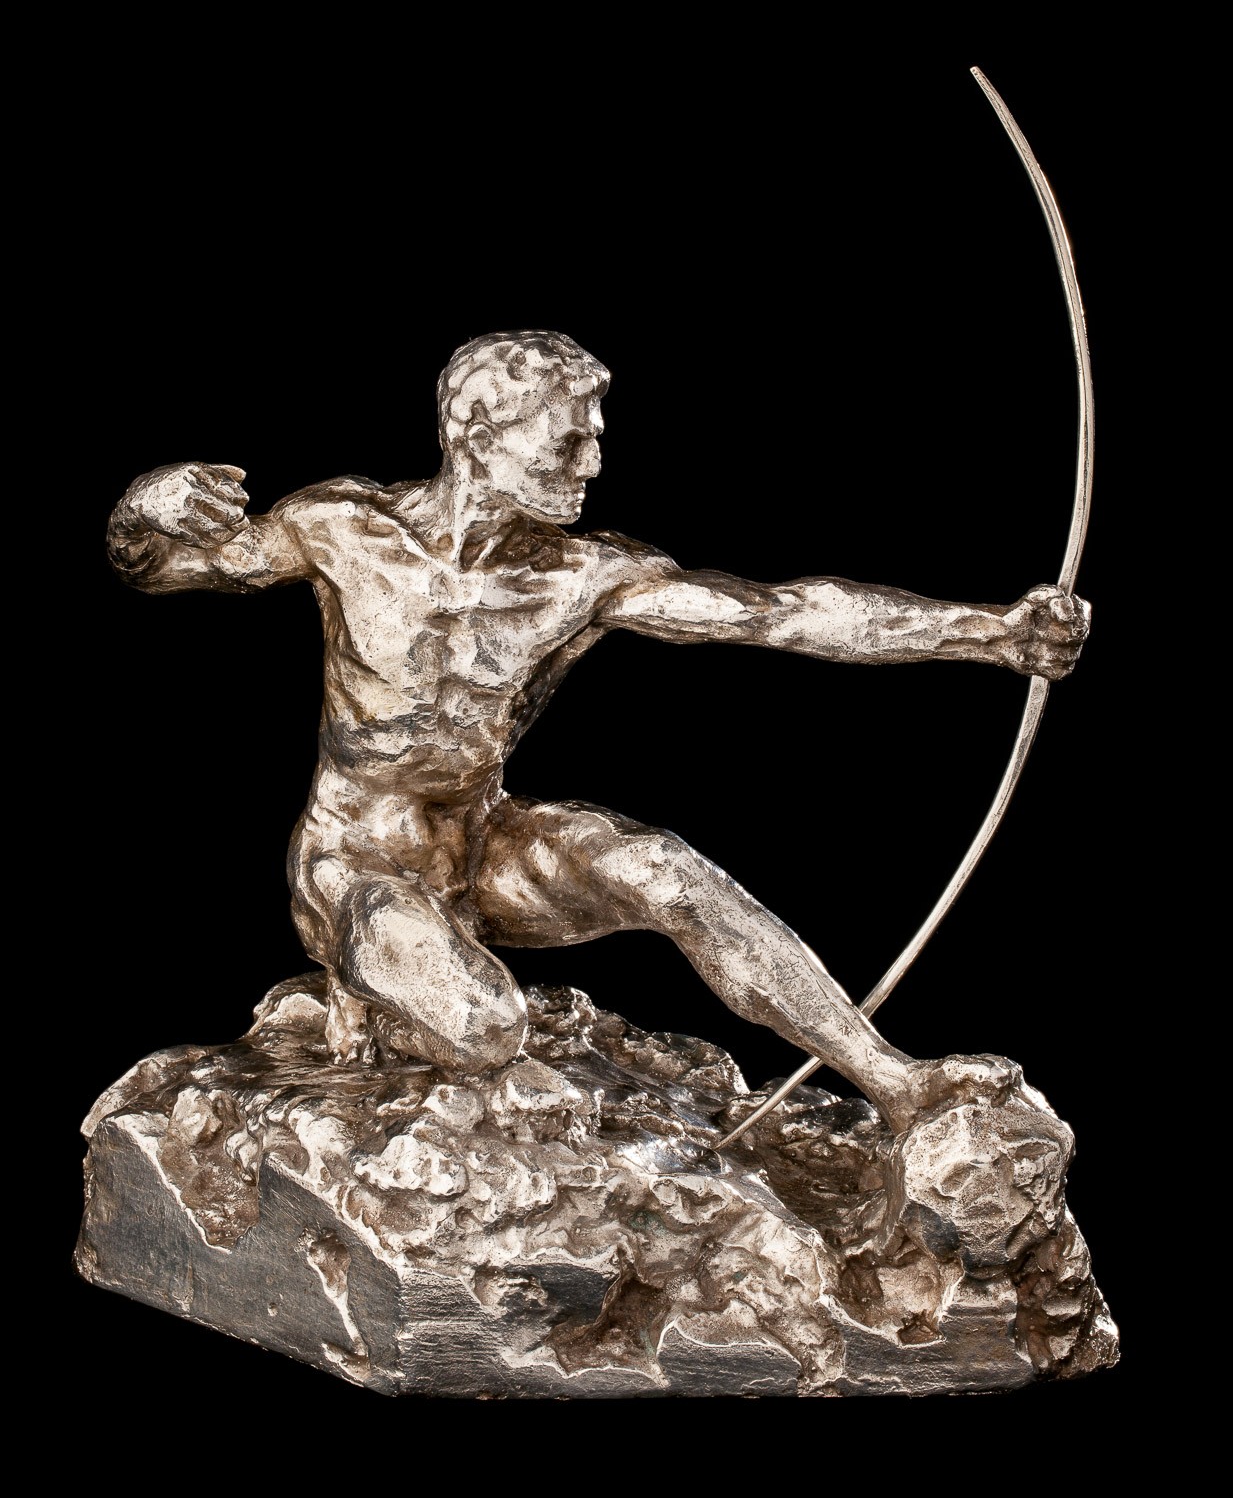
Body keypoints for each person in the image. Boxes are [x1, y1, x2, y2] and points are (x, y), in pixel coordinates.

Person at [107, 330, 1089, 1133]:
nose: (594, 462)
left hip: (480, 847)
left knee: (667, 872)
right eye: (567, 440)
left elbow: (781, 614)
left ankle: (894, 1081)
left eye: (595, 438)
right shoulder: (342, 526)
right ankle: (377, 991)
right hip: (355, 864)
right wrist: (143, 512)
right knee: (488, 1027)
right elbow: (169, 567)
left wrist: (989, 633)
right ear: (476, 431)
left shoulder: (585, 576)